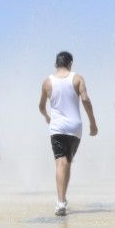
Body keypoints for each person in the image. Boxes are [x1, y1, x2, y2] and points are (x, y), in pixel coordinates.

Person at [38, 51, 99, 216]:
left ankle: (60, 202)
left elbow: (41, 106)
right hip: (75, 128)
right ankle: (63, 198)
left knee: (60, 162)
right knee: (67, 162)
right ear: (70, 63)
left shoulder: (47, 82)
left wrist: (46, 117)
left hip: (57, 128)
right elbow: (85, 100)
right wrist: (93, 122)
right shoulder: (77, 78)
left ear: (55, 64)